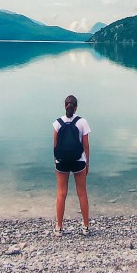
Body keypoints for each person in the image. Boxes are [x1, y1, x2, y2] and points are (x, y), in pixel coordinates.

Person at [53, 94, 91, 236]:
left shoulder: (57, 123)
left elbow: (55, 145)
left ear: (65, 106)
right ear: (76, 108)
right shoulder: (82, 122)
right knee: (82, 193)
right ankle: (85, 227)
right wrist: (87, 162)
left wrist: (56, 160)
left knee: (61, 193)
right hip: (78, 161)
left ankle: (59, 228)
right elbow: (86, 145)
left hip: (61, 161)